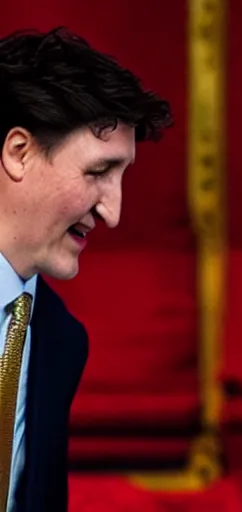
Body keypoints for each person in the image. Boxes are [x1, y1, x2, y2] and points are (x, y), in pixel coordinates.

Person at [0, 27, 172, 511]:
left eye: (122, 178)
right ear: (19, 152)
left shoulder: (60, 340)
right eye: (98, 172)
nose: (113, 212)